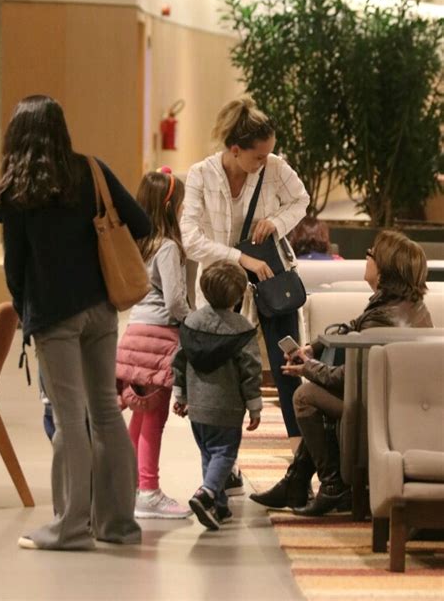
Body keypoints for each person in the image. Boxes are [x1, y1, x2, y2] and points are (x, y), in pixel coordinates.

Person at [0, 95, 151, 550]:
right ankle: (119, 525)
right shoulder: (90, 169)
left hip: (53, 315)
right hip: (101, 309)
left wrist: (29, 316)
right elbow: (139, 222)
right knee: (105, 411)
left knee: (68, 420)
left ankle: (69, 527)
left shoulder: (17, 189)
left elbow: (14, 266)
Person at [250, 230, 432, 516]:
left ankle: (333, 485)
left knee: (305, 396)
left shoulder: (384, 318)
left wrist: (306, 368)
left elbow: (348, 378)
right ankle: (296, 482)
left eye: (371, 253)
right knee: (316, 395)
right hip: (389, 401)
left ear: (383, 269)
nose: (366, 257)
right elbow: (354, 325)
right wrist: (314, 348)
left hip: (380, 408)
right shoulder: (403, 306)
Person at [181, 97, 309, 462]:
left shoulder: (274, 167)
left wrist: (277, 222)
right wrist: (241, 258)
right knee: (221, 372)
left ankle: (301, 455)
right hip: (224, 284)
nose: (264, 163)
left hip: (272, 280)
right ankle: (222, 462)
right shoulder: (201, 175)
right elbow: (190, 239)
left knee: (288, 365)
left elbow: (300, 200)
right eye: (257, 157)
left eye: (269, 154)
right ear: (235, 150)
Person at [116, 168, 191, 519]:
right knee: (155, 417)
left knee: (139, 415)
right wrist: (194, 320)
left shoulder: (137, 244)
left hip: (135, 332)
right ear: (169, 205)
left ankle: (129, 486)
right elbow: (175, 301)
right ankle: (148, 490)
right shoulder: (168, 247)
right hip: (161, 337)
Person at [172, 261, 263, 531]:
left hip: (197, 407)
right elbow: (250, 371)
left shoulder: (191, 322)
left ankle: (219, 506)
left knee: (208, 454)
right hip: (227, 407)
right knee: (224, 453)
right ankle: (207, 492)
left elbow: (179, 360)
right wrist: (255, 406)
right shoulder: (242, 329)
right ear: (237, 297)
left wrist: (181, 394)